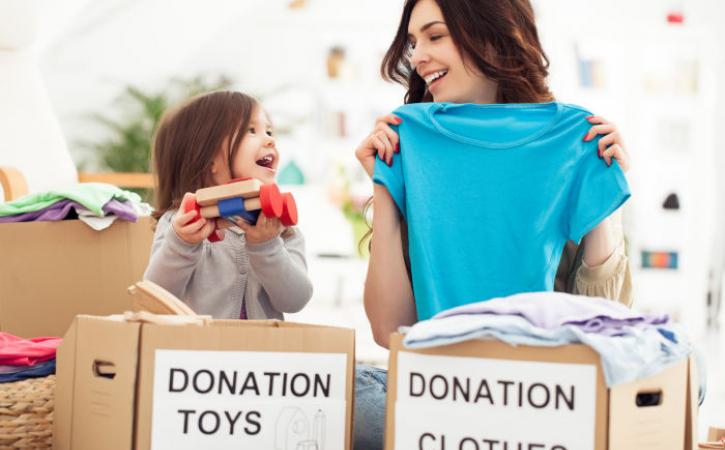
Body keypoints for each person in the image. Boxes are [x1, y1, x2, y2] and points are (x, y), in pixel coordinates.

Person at [352, 1, 632, 449]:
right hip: (442, 388)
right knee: (349, 398)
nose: (417, 56)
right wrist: (386, 186)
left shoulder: (574, 138)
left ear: (489, 32)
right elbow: (389, 330)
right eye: (412, 42)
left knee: (689, 376)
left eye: (434, 35)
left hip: (536, 389)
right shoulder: (411, 141)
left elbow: (607, 328)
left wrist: (603, 194)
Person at [144, 90, 313, 320]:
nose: (270, 139)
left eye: (269, 130)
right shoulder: (181, 225)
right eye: (251, 130)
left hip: (260, 354)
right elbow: (155, 297)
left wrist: (268, 246)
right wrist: (181, 245)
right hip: (198, 353)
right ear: (209, 157)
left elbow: (295, 300)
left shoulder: (280, 228)